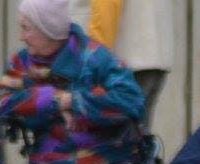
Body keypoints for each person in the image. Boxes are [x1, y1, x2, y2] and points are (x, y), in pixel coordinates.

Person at [0, 0, 146, 164]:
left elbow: (132, 102)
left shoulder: (96, 58)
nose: (21, 37)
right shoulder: (23, 62)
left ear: (47, 30)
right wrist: (52, 99)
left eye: (26, 28)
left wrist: (73, 101)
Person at [71, 0, 176, 131]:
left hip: (122, 60)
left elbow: (106, 7)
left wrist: (94, 61)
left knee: (112, 143)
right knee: (137, 140)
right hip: (153, 54)